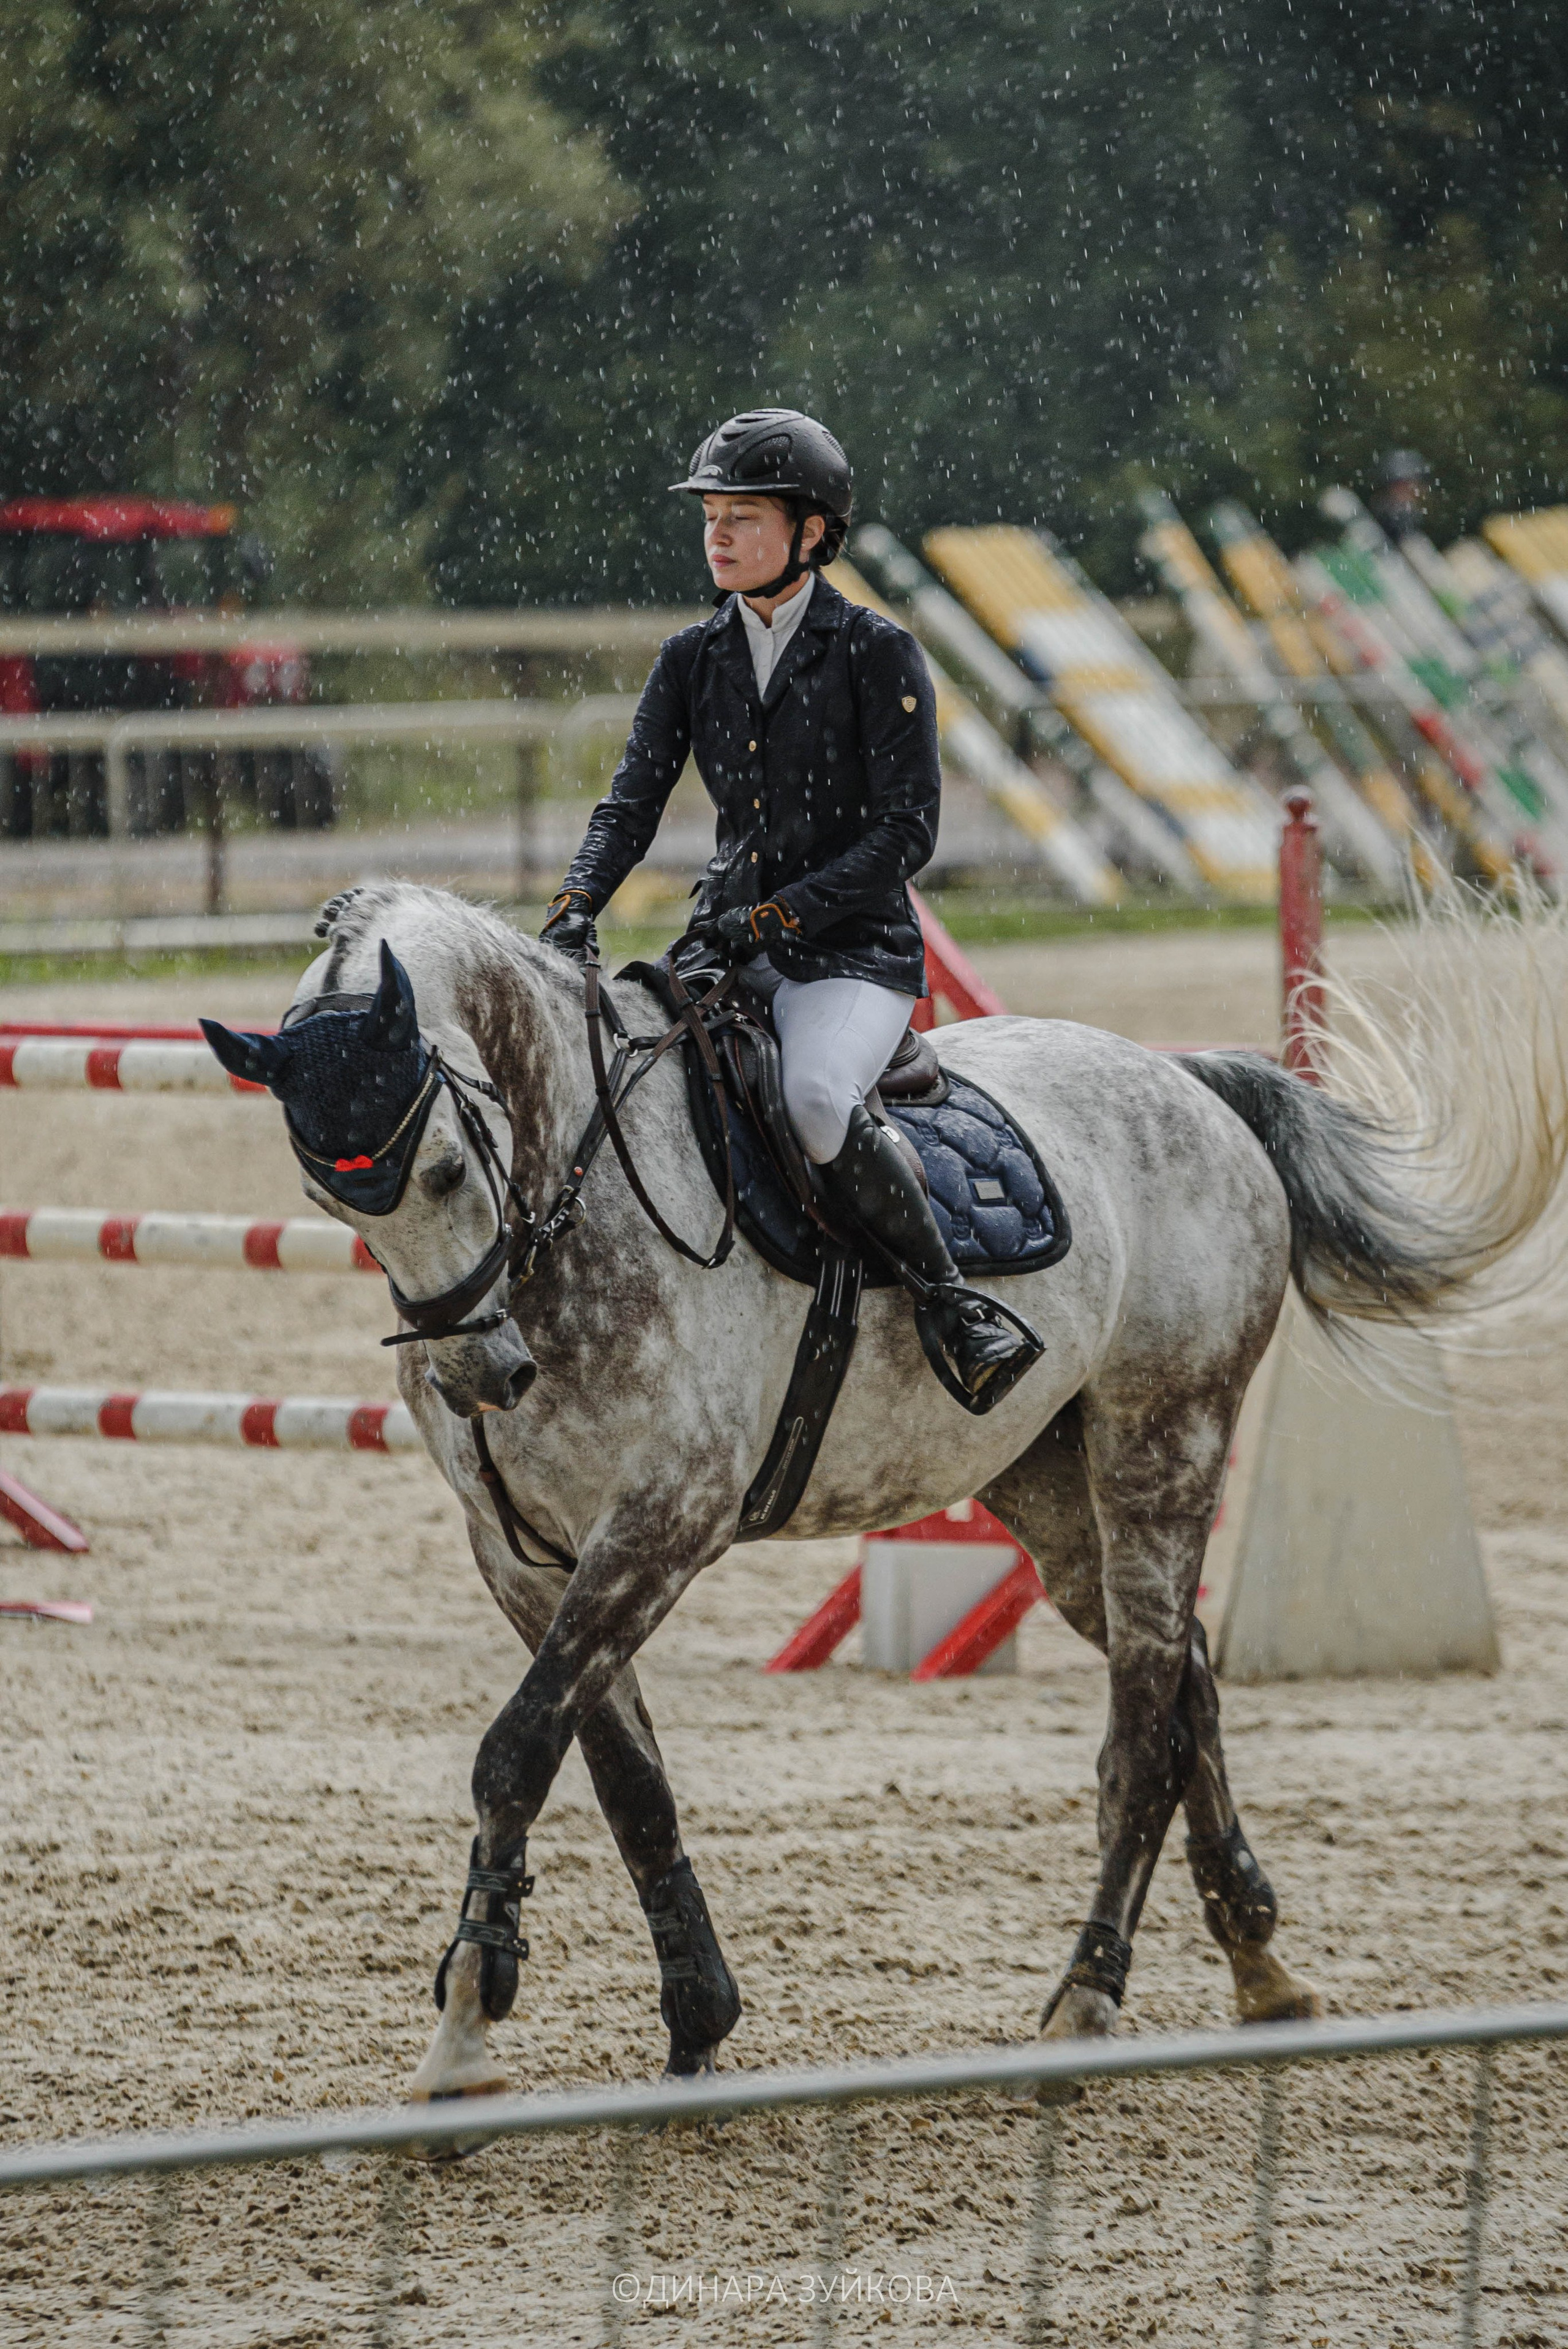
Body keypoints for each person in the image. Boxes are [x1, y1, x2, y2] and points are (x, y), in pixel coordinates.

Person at [540, 407, 1038, 1409]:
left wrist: (774, 921)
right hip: (728, 946)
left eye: (745, 516)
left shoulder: (876, 653)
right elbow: (631, 801)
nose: (718, 534)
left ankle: (955, 1307)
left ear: (812, 532)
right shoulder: (692, 657)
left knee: (814, 1099)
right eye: (711, 515)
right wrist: (575, 905)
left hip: (854, 956)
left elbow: (906, 836)